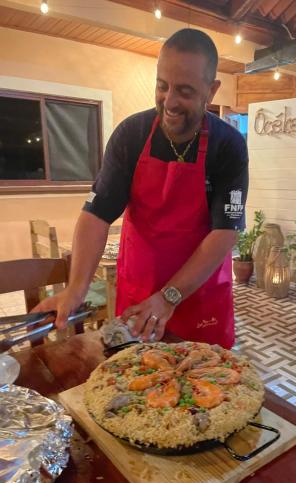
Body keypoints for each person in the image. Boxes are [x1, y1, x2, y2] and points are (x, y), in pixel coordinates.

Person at [34, 28, 248, 348]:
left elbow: (225, 232)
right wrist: (76, 288)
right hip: (140, 294)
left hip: (200, 297)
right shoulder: (131, 135)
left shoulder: (228, 145)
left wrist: (169, 296)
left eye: (185, 91)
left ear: (212, 90)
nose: (170, 102)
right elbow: (96, 213)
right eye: (162, 86)